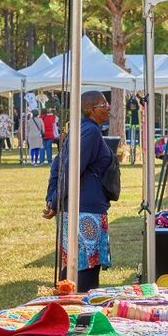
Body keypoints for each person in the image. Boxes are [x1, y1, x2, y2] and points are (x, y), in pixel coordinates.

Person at [44, 92, 114, 292]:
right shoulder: (90, 132)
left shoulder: (78, 130)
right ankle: (80, 315)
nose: (108, 107)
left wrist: (53, 200)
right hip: (86, 213)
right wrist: (55, 200)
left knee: (74, 269)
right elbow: (71, 167)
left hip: (77, 209)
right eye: (104, 104)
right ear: (91, 110)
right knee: (85, 275)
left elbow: (58, 164)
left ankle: (69, 311)